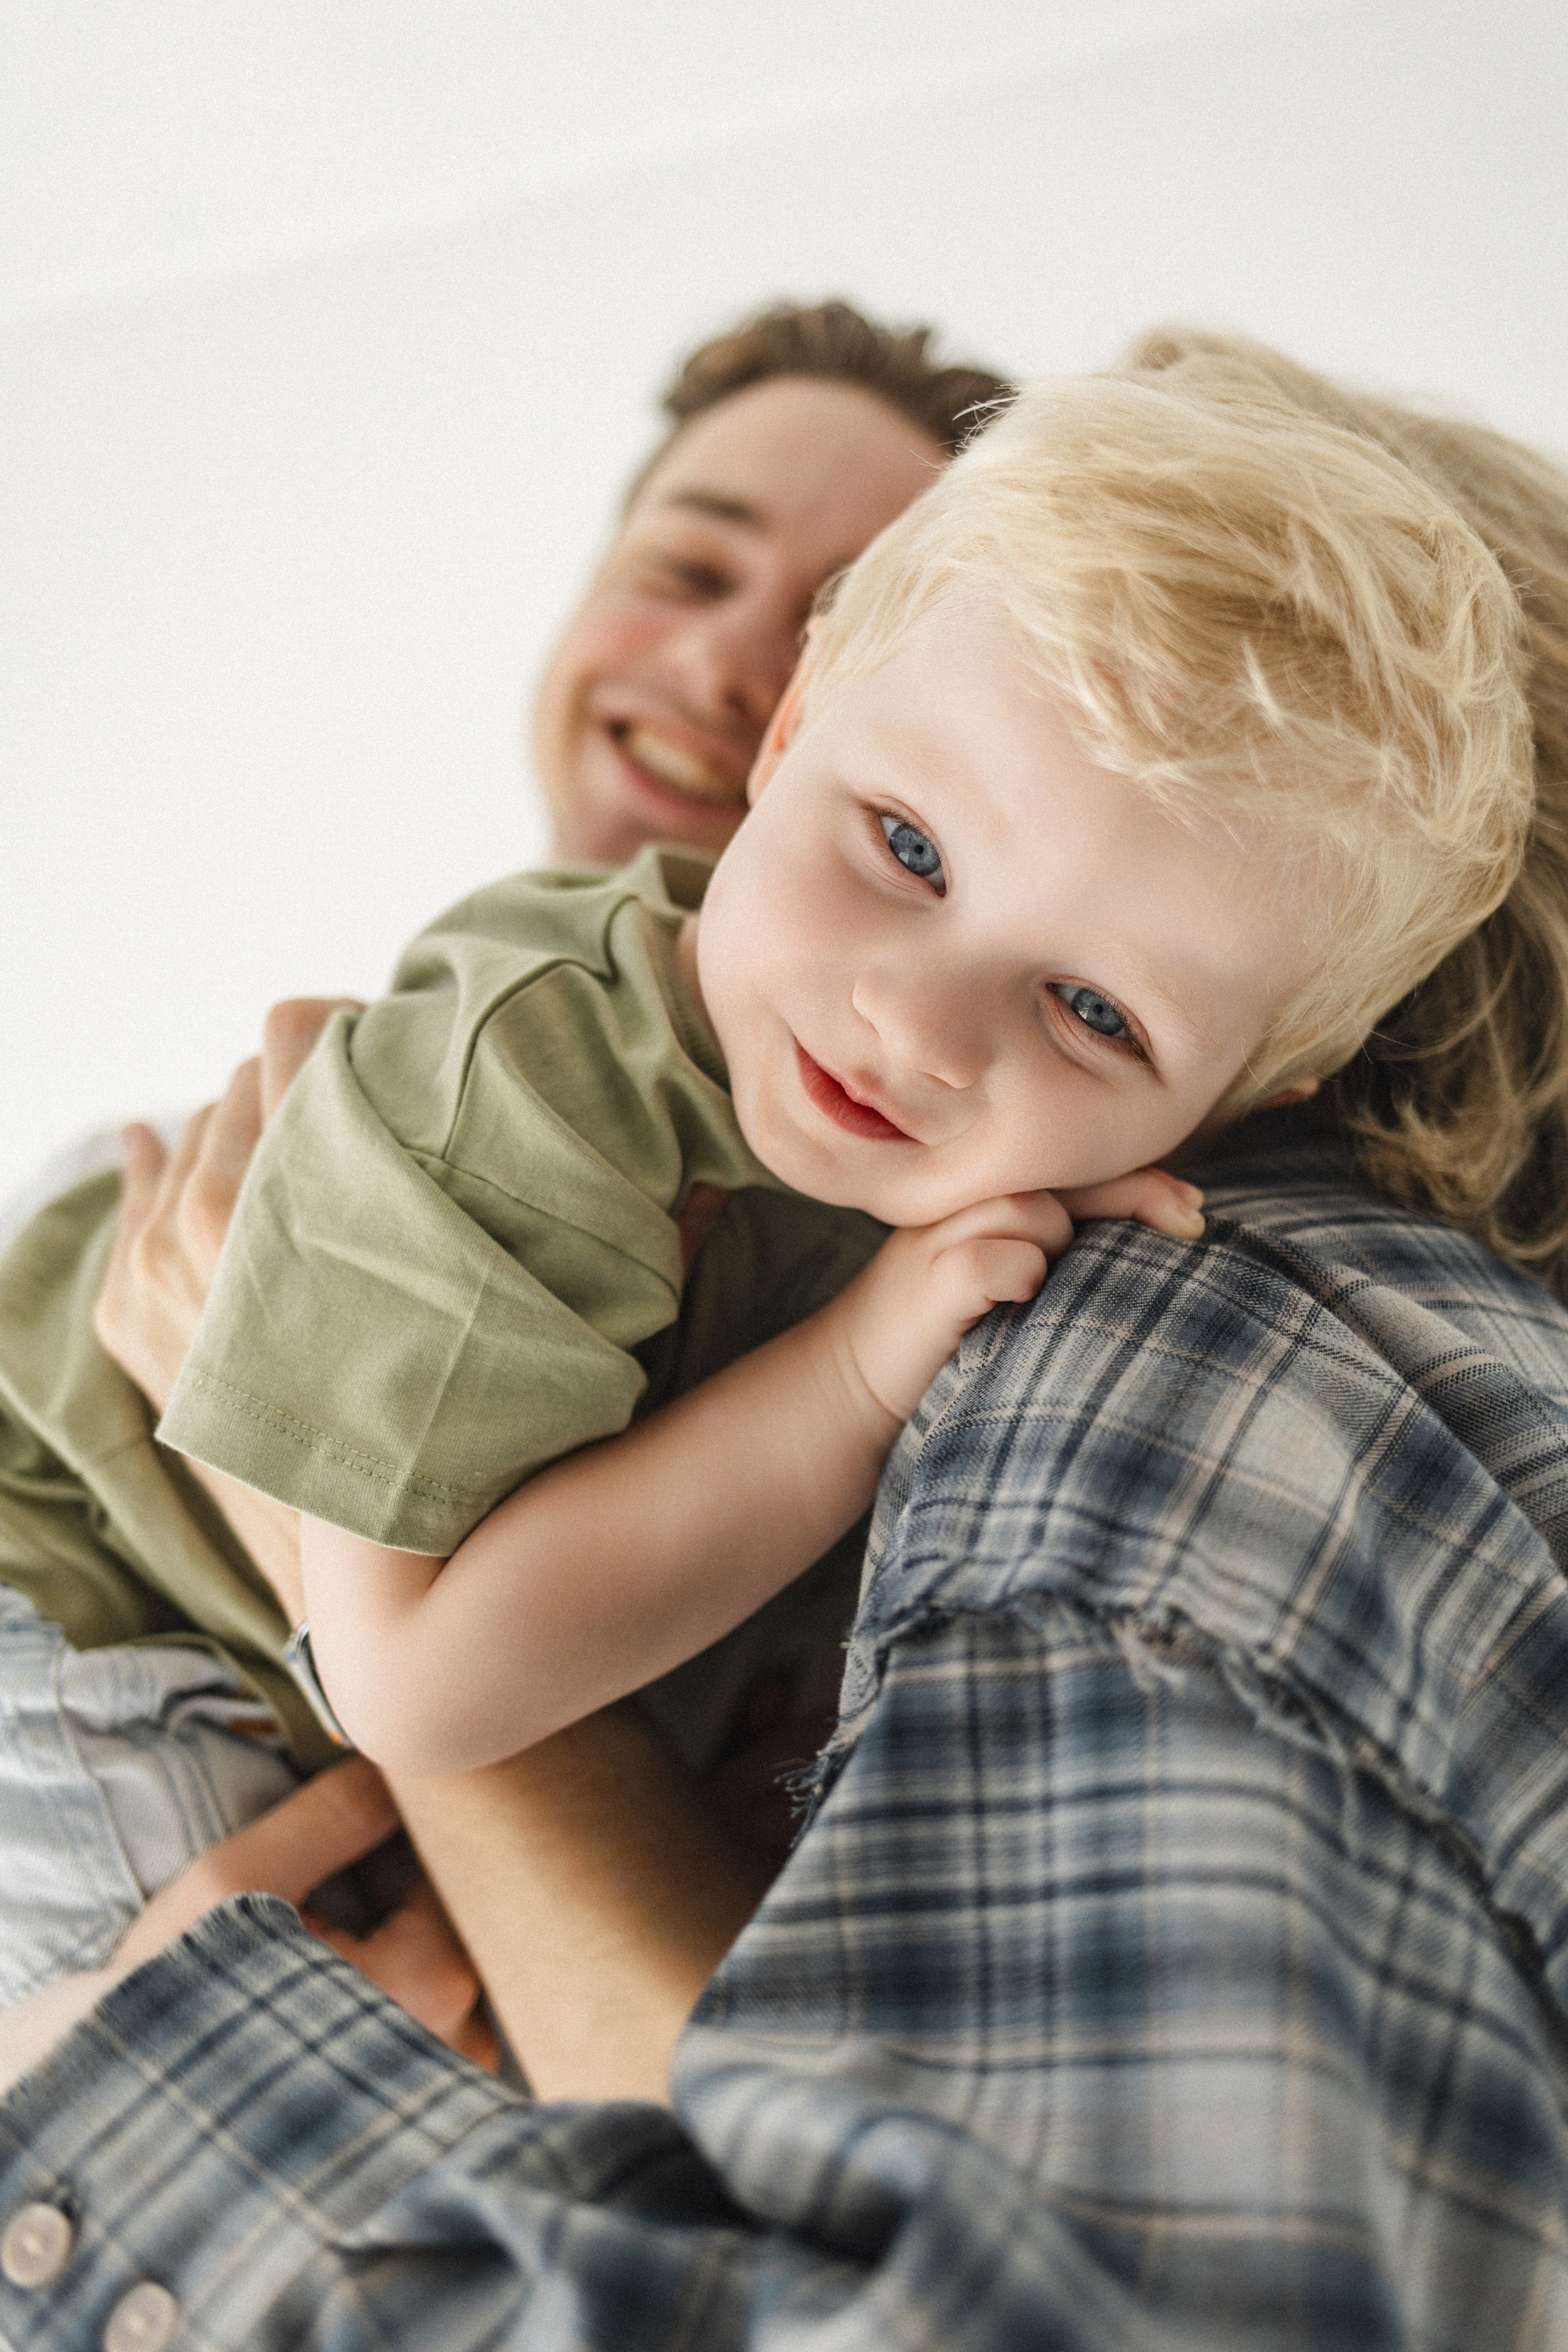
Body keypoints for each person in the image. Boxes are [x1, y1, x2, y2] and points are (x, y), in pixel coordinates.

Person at [6, 330, 1568, 2348]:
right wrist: (841, 1388)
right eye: (906, 847)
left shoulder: (1028, 1214)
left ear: (1260, 1091)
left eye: (1096, 1012)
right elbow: (419, 1677)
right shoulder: (530, 1069)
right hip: (98, 1688)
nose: (921, 1026)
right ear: (806, 724)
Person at [0, 299, 1011, 2008]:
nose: (725, 662)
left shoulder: (900, 1206)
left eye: (846, 625)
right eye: (691, 569)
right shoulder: (338, 1103)